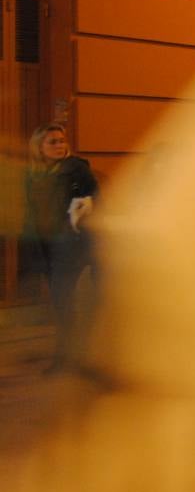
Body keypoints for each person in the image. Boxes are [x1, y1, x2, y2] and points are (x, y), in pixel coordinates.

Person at [23, 122, 99, 373]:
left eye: (61, 140)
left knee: (68, 306)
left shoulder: (76, 169)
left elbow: (94, 196)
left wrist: (83, 208)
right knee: (62, 307)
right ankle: (69, 359)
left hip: (73, 246)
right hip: (50, 248)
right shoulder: (35, 175)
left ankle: (75, 360)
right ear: (39, 147)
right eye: (52, 142)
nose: (59, 145)